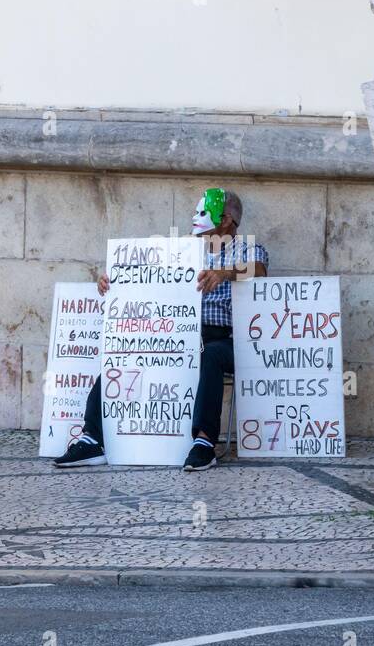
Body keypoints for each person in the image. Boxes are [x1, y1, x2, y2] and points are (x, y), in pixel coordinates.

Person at [53, 187, 269, 472]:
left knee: (211, 356)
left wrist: (224, 273)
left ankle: (204, 442)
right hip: (175, 333)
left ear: (227, 219)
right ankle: (92, 437)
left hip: (222, 338)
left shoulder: (249, 249)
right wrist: (114, 281)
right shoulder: (181, 252)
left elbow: (259, 269)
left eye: (203, 212)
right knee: (122, 355)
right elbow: (145, 279)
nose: (195, 217)